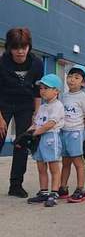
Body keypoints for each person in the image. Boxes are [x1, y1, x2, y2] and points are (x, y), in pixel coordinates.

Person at [0, 27, 43, 198]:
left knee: (22, 143)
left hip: (25, 106)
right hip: (3, 104)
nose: (20, 51)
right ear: (9, 48)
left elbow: (38, 90)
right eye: (16, 47)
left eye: (23, 47)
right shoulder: (2, 63)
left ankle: (16, 185)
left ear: (29, 47)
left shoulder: (36, 63)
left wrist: (37, 114)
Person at [59, 64, 85, 203]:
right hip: (64, 132)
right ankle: (63, 188)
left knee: (78, 162)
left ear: (83, 82)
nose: (71, 80)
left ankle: (80, 189)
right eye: (69, 76)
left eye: (76, 77)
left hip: (76, 133)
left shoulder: (83, 97)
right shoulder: (64, 96)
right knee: (65, 162)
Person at [26, 74, 64, 207]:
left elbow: (50, 124)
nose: (42, 91)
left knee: (53, 167)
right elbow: (36, 123)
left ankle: (54, 193)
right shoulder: (42, 107)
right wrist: (27, 134)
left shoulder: (58, 106)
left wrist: (35, 132)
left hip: (50, 138)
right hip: (39, 138)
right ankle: (43, 192)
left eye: (46, 88)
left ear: (56, 91)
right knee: (41, 167)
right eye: (41, 88)